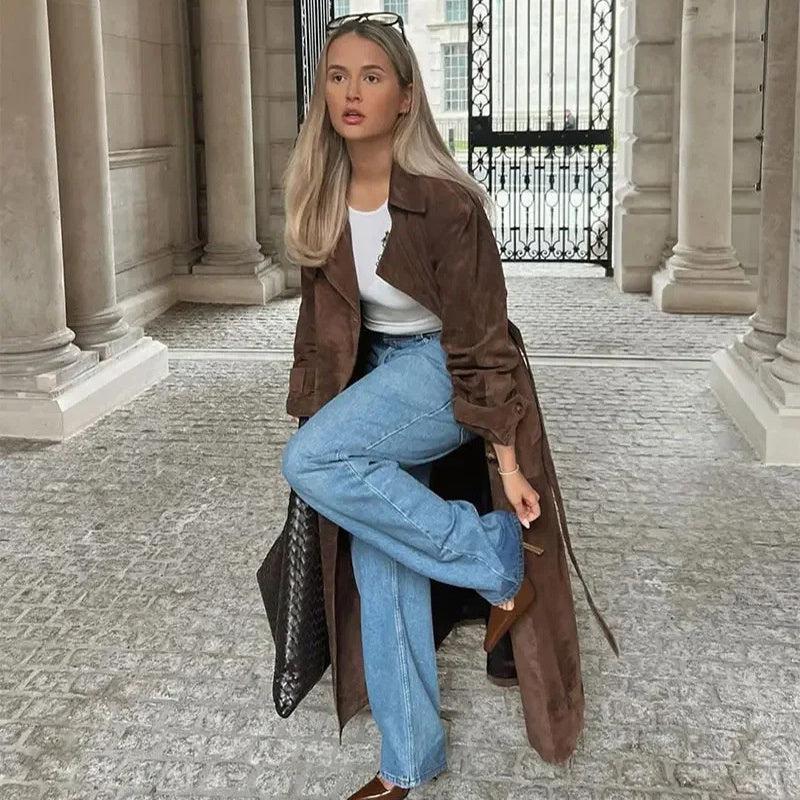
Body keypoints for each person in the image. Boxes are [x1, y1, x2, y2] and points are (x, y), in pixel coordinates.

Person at [277, 12, 617, 799]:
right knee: (381, 553)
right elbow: (319, 329)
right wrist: (321, 400)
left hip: (442, 368)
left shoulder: (445, 203)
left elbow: (484, 341)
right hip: (373, 373)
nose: (351, 92)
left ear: (405, 96)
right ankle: (408, 761)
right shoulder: (320, 196)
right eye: (337, 76)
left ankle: (493, 556)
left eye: (371, 77)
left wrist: (508, 459)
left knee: (311, 460)